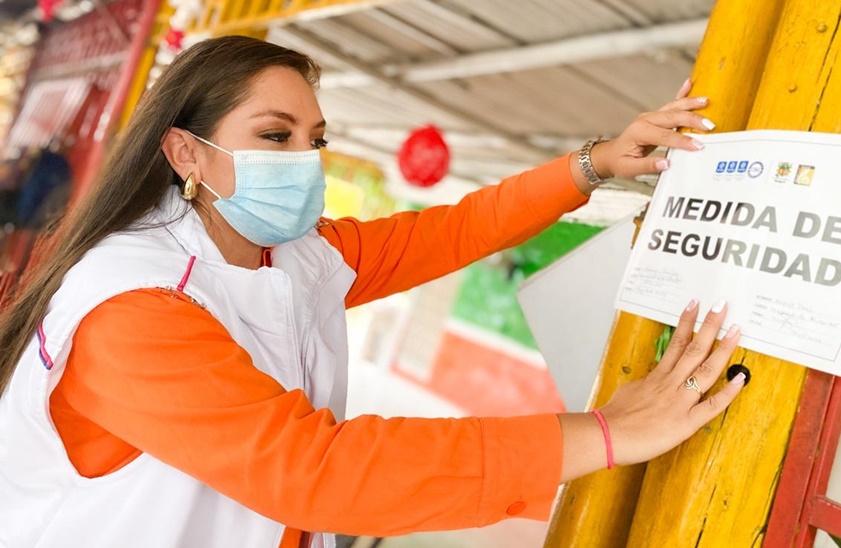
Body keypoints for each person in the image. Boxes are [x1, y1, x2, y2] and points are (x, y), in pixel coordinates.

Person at [0, 36, 745, 548]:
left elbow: (452, 232)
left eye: (316, 140)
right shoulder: (132, 305)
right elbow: (314, 469)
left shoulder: (292, 254)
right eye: (276, 136)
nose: (306, 161)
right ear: (186, 152)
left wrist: (594, 164)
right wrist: (608, 433)